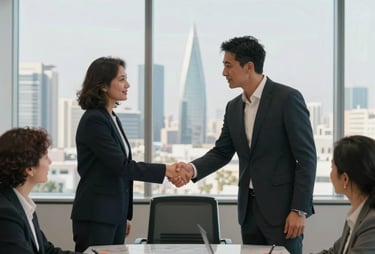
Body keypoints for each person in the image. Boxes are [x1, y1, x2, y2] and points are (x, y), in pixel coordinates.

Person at [171, 36, 317, 254]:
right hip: (248, 213)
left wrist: (299, 209)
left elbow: (306, 158)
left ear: (249, 66)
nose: (224, 73)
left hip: (283, 213)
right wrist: (192, 169)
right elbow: (222, 152)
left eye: (228, 66)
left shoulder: (287, 99)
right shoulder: (232, 108)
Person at [70, 56, 187, 252]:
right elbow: (122, 166)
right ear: (104, 85)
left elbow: (117, 172)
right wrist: (166, 169)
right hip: (97, 216)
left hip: (112, 215)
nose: (128, 84)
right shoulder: (94, 120)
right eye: (122, 79)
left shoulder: (111, 118)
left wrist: (123, 215)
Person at [0, 127, 80, 253]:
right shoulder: (6, 213)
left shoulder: (23, 205)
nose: (50, 162)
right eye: (45, 157)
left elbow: (47, 251)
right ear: (29, 168)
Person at [315, 135, 375, 254]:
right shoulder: (358, 214)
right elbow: (334, 252)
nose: (330, 174)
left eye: (332, 167)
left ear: (345, 179)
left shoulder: (371, 221)